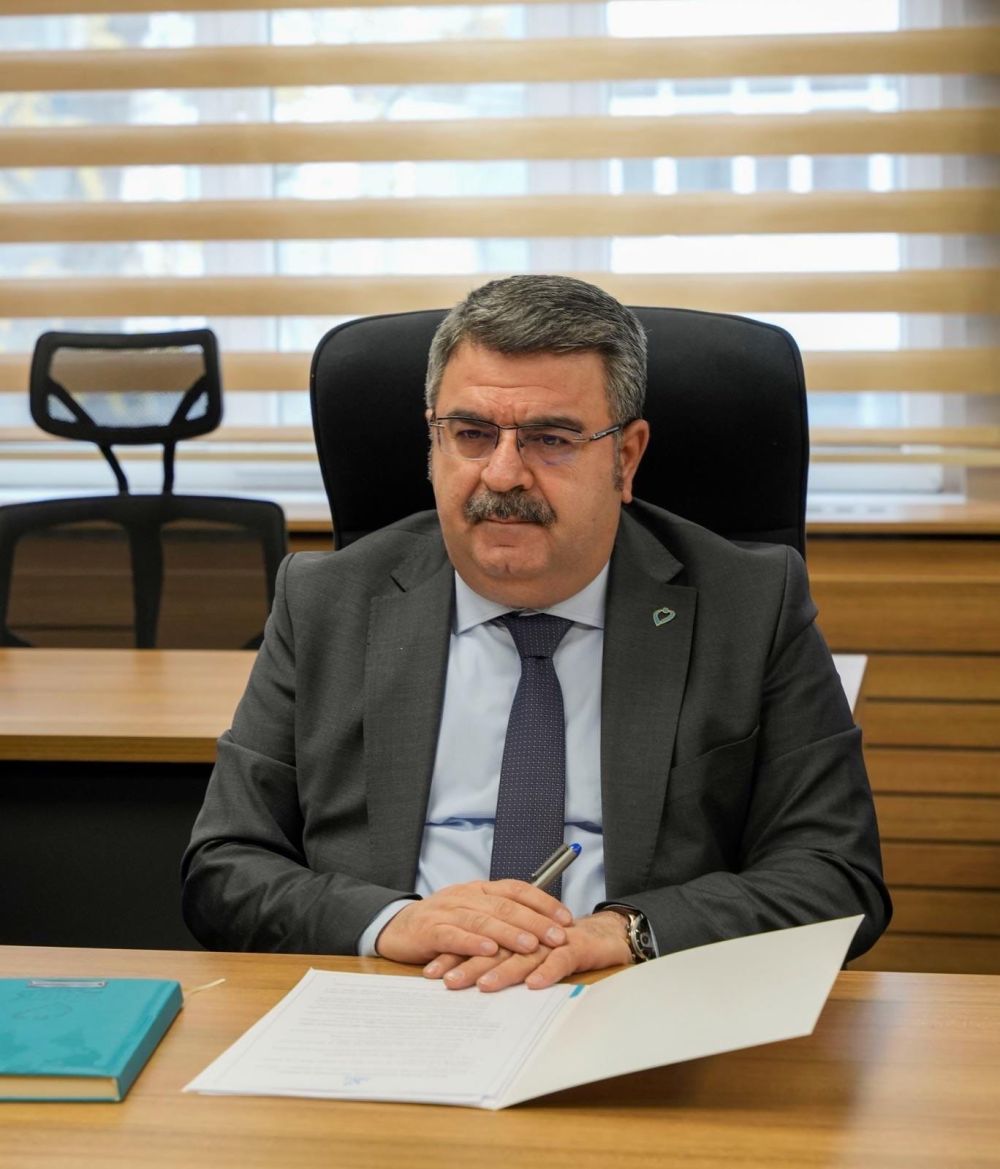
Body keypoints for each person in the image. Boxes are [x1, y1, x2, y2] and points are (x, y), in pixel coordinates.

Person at [182, 275, 890, 991]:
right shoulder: (325, 600)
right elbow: (224, 865)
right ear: (432, 441)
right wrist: (389, 922)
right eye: (471, 434)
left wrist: (628, 933)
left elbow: (836, 875)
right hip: (395, 994)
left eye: (551, 439)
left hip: (634, 996)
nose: (503, 474)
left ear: (625, 457)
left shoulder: (750, 604)